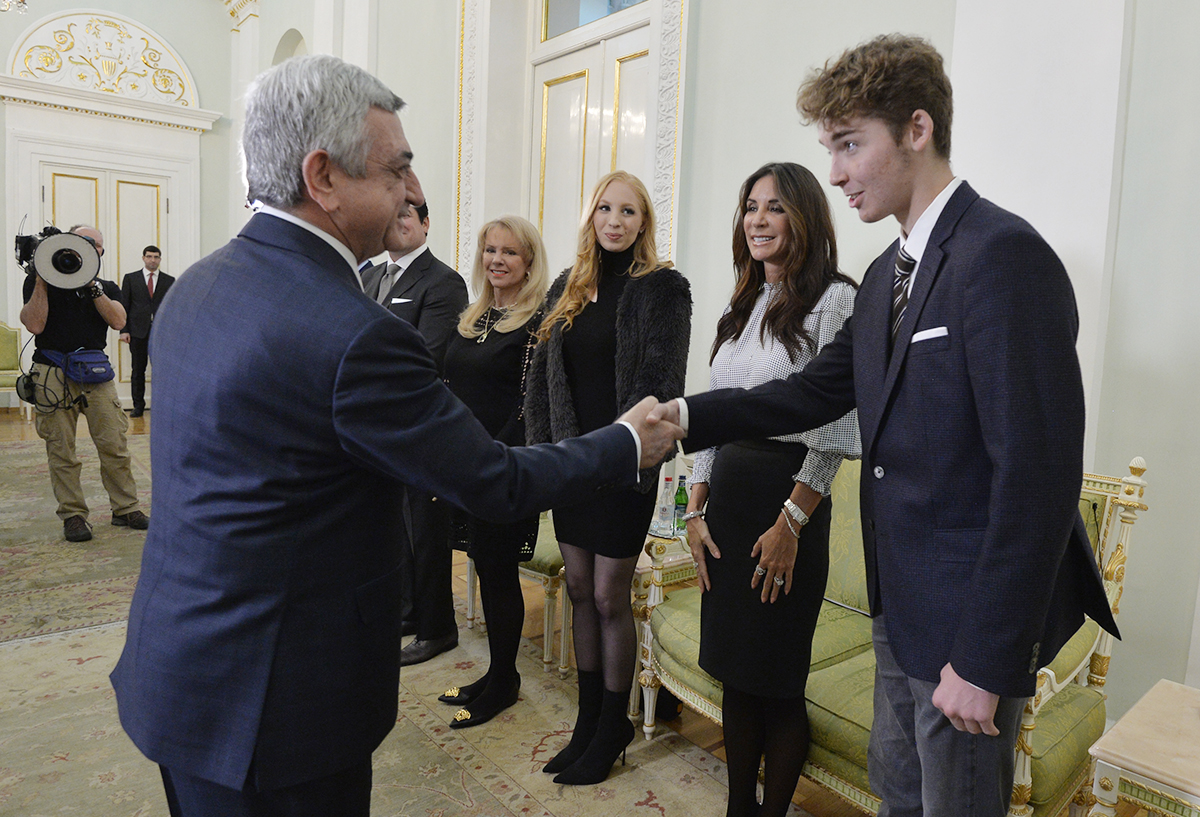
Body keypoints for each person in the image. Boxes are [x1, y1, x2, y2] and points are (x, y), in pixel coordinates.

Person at [108, 54, 682, 817]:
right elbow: (495, 480)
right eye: (397, 168)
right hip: (279, 705)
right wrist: (625, 441)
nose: (412, 190)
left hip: (181, 670)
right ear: (323, 176)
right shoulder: (355, 332)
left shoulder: (201, 283)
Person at [650, 34, 1119, 817]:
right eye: (830, 149)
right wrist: (683, 417)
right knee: (900, 795)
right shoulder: (881, 279)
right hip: (896, 611)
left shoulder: (1003, 255)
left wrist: (986, 655)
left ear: (917, 129)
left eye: (849, 144)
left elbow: (1037, 477)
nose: (835, 173)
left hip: (965, 628)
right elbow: (805, 395)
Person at [684, 162, 860, 817]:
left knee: (777, 682)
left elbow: (836, 429)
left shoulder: (835, 300)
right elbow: (716, 407)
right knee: (736, 674)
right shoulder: (745, 302)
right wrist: (694, 508)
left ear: (804, 218)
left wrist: (791, 522)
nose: (758, 219)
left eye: (775, 207)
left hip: (787, 505)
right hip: (729, 507)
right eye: (751, 206)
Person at [525, 170, 692, 785]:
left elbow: (660, 384)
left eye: (627, 211)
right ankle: (588, 720)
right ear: (591, 216)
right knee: (576, 588)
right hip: (572, 468)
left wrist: (617, 451)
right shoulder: (568, 287)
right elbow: (542, 383)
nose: (614, 221)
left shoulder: (662, 289)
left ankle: (613, 723)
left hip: (625, 467)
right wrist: (545, 460)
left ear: (643, 222)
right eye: (605, 209)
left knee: (606, 595)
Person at [437, 215, 549, 728]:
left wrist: (490, 459)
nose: (497, 260)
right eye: (490, 250)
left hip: (504, 469)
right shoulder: (473, 317)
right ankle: (496, 672)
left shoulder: (537, 324)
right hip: (464, 466)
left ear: (529, 262)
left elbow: (528, 405)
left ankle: (504, 682)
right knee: (484, 565)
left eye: (509, 252)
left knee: (500, 575)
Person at [362, 201, 469, 666]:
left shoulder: (443, 281)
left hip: (420, 428)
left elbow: (426, 356)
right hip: (375, 426)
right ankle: (407, 612)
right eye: (391, 215)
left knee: (426, 532)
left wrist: (361, 370)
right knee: (392, 528)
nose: (398, 222)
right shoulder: (369, 277)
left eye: (407, 215)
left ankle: (438, 628)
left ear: (426, 223)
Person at [20, 224, 149, 542]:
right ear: (66, 244)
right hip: (51, 372)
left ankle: (125, 508)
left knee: (114, 444)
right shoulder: (37, 281)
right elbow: (35, 324)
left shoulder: (106, 286)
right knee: (61, 449)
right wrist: (42, 276)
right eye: (85, 241)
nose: (93, 247)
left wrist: (91, 284)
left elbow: (119, 321)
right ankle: (73, 516)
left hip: (95, 374)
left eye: (97, 245)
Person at [119, 245, 175, 417]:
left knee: (161, 371)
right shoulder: (131, 278)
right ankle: (138, 406)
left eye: (156, 257)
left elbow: (172, 308)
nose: (153, 260)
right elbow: (124, 305)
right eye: (149, 256)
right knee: (138, 371)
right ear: (143, 258)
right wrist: (124, 330)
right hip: (137, 332)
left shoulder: (169, 280)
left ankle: (161, 405)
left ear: (160, 259)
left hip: (160, 333)